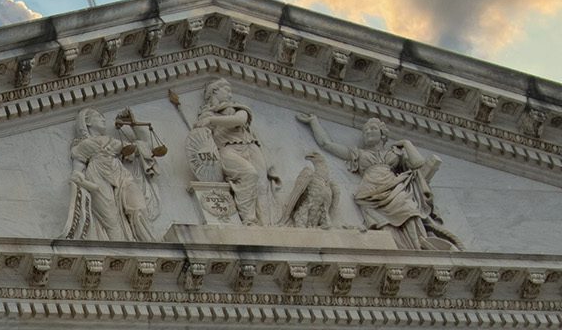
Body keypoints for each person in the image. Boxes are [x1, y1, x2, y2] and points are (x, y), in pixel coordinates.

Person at [295, 114, 461, 250]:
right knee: (384, 226)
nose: (368, 132)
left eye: (373, 129)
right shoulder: (359, 155)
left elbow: (418, 164)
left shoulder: (394, 153)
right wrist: (314, 121)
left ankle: (418, 246)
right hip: (370, 193)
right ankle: (401, 248)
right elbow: (327, 144)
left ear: (383, 134)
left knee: (409, 211)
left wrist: (406, 143)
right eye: (366, 130)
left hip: (394, 187)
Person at [64, 107, 158, 241]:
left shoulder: (113, 141)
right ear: (87, 122)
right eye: (98, 116)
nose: (103, 119)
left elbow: (144, 148)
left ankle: (150, 242)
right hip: (97, 177)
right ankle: (121, 255)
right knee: (112, 221)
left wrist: (133, 124)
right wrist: (87, 184)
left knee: (138, 207)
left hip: (121, 175)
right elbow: (76, 173)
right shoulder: (84, 145)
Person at [189, 79, 272, 224]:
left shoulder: (239, 109)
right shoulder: (205, 115)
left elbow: (239, 120)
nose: (230, 94)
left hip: (250, 147)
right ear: (215, 91)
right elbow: (201, 140)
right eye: (227, 90)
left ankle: (266, 225)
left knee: (262, 186)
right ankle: (249, 220)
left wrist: (212, 121)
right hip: (227, 150)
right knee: (250, 174)